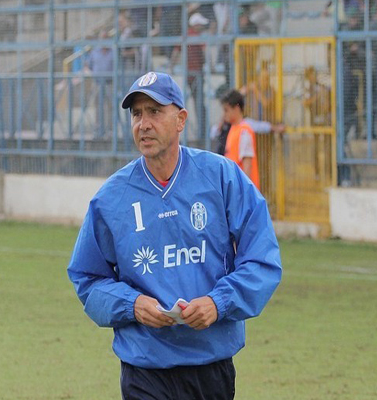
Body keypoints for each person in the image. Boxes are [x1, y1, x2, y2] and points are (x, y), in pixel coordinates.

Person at [67, 72, 282, 399]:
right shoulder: (111, 198)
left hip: (210, 364)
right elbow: (87, 278)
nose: (143, 124)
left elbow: (262, 261)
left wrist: (218, 303)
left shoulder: (222, 177)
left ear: (181, 119)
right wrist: (132, 304)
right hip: (145, 368)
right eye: (137, 114)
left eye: (154, 111)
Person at [220, 89, 268, 190]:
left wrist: (244, 193)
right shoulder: (234, 128)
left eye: (226, 110)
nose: (224, 114)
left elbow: (247, 166)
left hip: (244, 191)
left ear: (236, 108)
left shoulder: (244, 132)